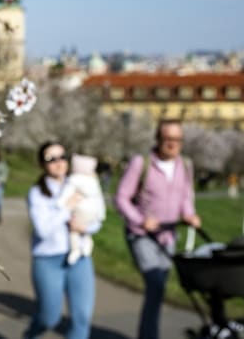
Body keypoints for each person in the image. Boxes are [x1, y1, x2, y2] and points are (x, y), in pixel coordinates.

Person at [115, 119, 201, 339]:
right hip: (141, 236)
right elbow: (121, 198)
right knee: (155, 284)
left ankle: (148, 332)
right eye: (168, 139)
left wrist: (189, 214)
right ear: (158, 140)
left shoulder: (186, 165)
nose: (172, 144)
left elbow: (186, 195)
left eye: (177, 140)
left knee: (159, 287)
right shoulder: (140, 163)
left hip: (168, 235)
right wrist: (140, 219)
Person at [24, 142, 97, 339]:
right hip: (48, 260)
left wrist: (86, 227)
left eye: (62, 156)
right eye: (51, 159)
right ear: (42, 164)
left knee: (82, 319)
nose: (59, 162)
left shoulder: (80, 184)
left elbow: (96, 217)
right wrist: (65, 208)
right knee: (50, 318)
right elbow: (43, 229)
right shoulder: (36, 193)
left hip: (80, 258)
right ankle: (31, 334)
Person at [58, 154, 106, 265]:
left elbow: (67, 193)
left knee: (74, 231)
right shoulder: (94, 182)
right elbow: (99, 198)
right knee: (85, 231)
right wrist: (101, 214)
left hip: (79, 210)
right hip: (92, 212)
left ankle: (75, 249)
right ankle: (87, 244)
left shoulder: (74, 179)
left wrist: (61, 204)